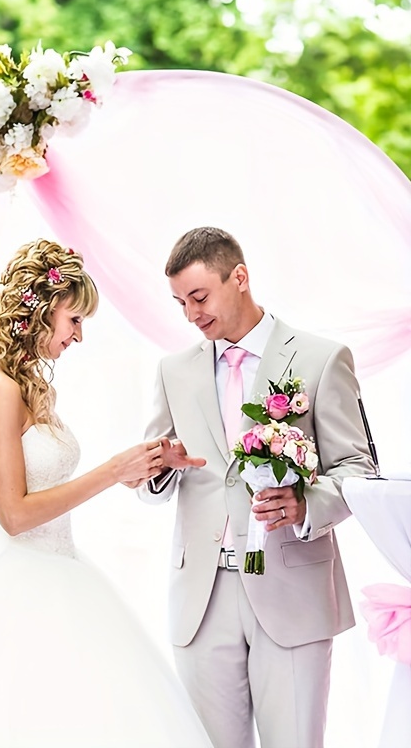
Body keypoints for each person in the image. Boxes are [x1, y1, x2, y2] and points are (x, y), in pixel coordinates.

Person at [0, 238, 212, 748]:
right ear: (41, 312)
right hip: (18, 578)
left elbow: (50, 481)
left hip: (63, 566)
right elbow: (14, 515)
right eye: (74, 320)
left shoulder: (31, 387)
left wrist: (145, 462)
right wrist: (112, 470)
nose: (78, 335)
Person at [132, 227, 375, 748]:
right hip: (203, 597)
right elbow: (149, 480)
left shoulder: (321, 359)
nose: (191, 315)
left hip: (291, 589)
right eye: (180, 303)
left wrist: (305, 502)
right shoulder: (173, 371)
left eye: (199, 297)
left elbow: (358, 468)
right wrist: (161, 466)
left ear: (239, 277)